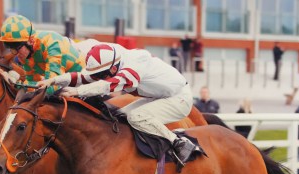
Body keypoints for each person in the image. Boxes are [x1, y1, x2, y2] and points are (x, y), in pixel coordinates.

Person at [37, 43, 197, 165]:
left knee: (136, 117)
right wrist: (52, 81)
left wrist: (77, 92)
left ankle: (179, 143)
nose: (99, 77)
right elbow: (80, 77)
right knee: (118, 116)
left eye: (101, 74)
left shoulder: (133, 65)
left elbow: (109, 85)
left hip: (179, 97)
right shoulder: (110, 63)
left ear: (113, 69)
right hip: (159, 95)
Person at [0, 15, 84, 94]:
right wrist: (14, 83)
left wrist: (14, 83)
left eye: (17, 49)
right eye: (12, 49)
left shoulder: (52, 45)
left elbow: (50, 88)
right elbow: (32, 82)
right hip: (64, 85)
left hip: (83, 82)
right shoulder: (24, 53)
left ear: (30, 41)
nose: (16, 55)